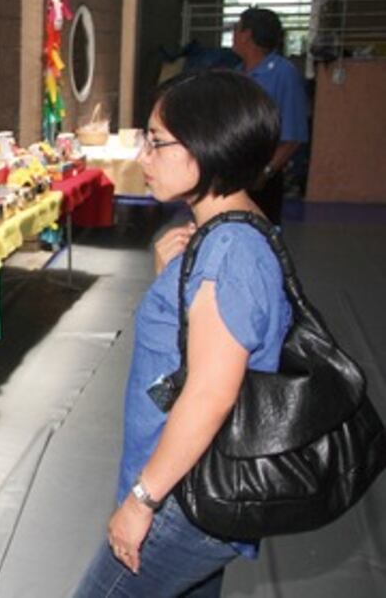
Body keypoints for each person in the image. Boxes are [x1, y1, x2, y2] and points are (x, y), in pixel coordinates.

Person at [73, 69, 292, 597]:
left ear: (207, 144)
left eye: (156, 142)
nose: (142, 157)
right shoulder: (230, 229)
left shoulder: (229, 251)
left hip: (183, 497)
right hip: (194, 490)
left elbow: (211, 394)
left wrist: (141, 502)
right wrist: (169, 283)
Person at [231, 7, 309, 224]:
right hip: (233, 172)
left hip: (261, 178)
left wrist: (265, 172)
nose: (234, 35)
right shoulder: (238, 74)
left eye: (237, 29)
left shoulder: (283, 74)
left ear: (247, 34)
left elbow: (294, 136)